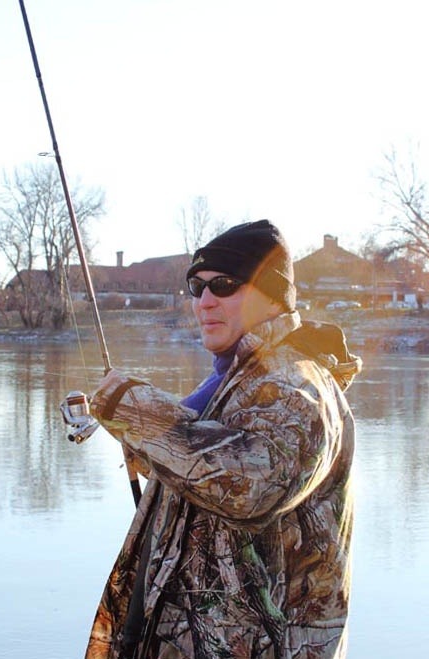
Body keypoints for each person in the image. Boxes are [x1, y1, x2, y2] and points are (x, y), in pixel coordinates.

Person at [84, 219, 361, 658]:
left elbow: (251, 486)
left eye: (225, 285)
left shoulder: (298, 388)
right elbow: (207, 459)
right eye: (197, 287)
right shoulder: (230, 386)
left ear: (272, 297)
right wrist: (154, 453)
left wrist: (135, 410)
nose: (205, 302)